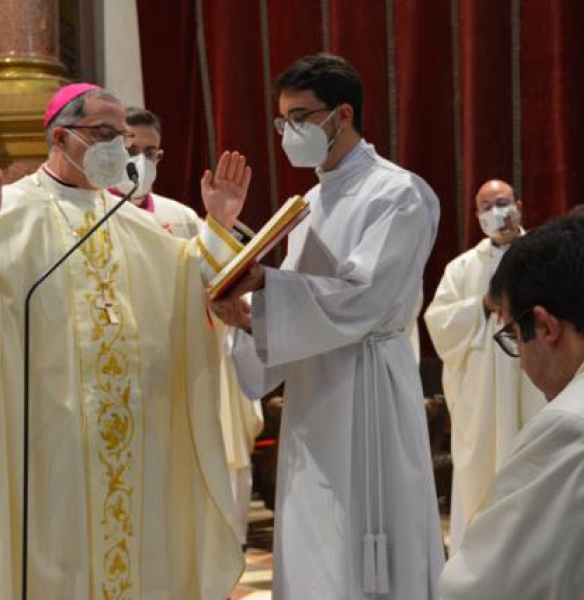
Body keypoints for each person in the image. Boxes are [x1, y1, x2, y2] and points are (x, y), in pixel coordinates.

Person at [0, 83, 252, 599]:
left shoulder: (128, 223)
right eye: (107, 134)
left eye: (126, 137)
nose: (121, 148)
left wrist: (220, 222)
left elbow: (188, 283)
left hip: (133, 443)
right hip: (48, 441)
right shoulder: (10, 217)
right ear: (61, 136)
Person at [213, 53, 444, 599]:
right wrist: (246, 319)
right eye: (282, 121)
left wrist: (265, 285)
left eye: (300, 118)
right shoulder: (311, 202)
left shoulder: (398, 193)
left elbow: (365, 296)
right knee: (314, 524)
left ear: (342, 114)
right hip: (315, 392)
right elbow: (298, 304)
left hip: (369, 385)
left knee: (369, 523)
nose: (288, 132)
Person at [113, 106, 264, 548]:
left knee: (176, 506)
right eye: (131, 149)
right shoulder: (88, 214)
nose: (142, 162)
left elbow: (214, 278)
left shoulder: (181, 219)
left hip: (179, 372)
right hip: (116, 374)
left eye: (151, 153)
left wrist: (220, 223)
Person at [439, 214, 584, 599]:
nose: (522, 362)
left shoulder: (571, 426)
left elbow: (482, 588)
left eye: (512, 334)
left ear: (545, 327)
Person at [424, 179, 545, 552]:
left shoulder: (545, 257)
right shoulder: (462, 269)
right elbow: (437, 322)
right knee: (480, 483)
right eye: (487, 206)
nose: (497, 212)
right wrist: (481, 305)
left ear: (520, 206)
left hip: (533, 391)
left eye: (503, 202)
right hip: (481, 401)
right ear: (477, 217)